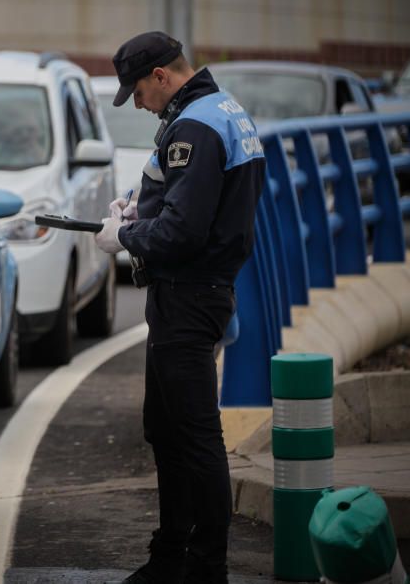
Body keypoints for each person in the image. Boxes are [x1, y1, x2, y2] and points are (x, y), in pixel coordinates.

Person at [93, 31, 266, 584]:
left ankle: (203, 565)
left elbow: (183, 231)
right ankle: (171, 555)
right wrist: (136, 205)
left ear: (162, 77)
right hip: (195, 295)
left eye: (139, 92)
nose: (138, 103)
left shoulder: (193, 125)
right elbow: (184, 196)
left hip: (189, 296)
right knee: (166, 429)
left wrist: (125, 236)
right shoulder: (220, 109)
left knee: (193, 436)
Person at [0, 98, 48, 167]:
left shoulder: (47, 148)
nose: (25, 135)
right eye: (17, 132)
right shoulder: (2, 160)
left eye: (30, 130)